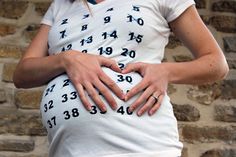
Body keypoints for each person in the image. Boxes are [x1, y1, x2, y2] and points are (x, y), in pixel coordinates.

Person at [13, 0, 229, 156]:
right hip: (69, 149)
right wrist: (67, 59)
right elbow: (22, 74)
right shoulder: (60, 5)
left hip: (141, 146)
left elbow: (216, 64)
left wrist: (166, 71)